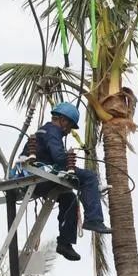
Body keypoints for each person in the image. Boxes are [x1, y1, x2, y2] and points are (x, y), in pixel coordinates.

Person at [29, 102, 112, 262]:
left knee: (69, 199)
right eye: (70, 126)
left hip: (40, 176)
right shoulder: (53, 131)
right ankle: (94, 220)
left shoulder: (45, 130)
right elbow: (59, 158)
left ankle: (65, 243)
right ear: (62, 120)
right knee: (89, 177)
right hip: (39, 175)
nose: (68, 131)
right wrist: (68, 161)